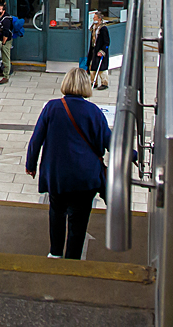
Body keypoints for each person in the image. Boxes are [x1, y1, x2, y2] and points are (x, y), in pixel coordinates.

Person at [25, 68, 111, 260]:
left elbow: (36, 139)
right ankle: (72, 259)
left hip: (58, 176)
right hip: (85, 178)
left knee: (56, 211)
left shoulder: (52, 107)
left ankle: (55, 252)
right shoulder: (94, 112)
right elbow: (110, 141)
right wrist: (132, 154)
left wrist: (30, 164)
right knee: (78, 221)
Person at [86, 12, 111, 90]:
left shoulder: (103, 29)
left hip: (100, 50)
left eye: (95, 17)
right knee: (92, 67)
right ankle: (93, 82)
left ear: (99, 19)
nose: (93, 18)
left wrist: (102, 51)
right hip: (94, 49)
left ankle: (104, 83)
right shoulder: (94, 27)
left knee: (102, 68)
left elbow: (107, 41)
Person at [0, 4, 17, 82]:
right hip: (3, 40)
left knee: (6, 58)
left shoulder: (6, 20)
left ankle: (6, 76)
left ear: (3, 11)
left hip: (6, 41)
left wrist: (3, 43)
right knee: (4, 57)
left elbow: (6, 33)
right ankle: (5, 73)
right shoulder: (2, 17)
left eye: (0, 9)